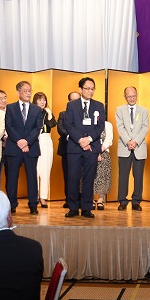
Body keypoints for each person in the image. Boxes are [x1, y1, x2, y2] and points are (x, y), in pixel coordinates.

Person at [63, 77, 105, 219]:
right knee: (73, 178)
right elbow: (68, 125)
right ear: (80, 89)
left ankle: (87, 207)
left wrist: (89, 139)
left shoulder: (99, 105)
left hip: (92, 147)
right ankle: (73, 208)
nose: (90, 91)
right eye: (87, 88)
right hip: (75, 147)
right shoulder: (72, 105)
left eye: (92, 89)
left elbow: (100, 126)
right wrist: (80, 140)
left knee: (89, 178)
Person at [5, 81, 42, 215]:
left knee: (32, 177)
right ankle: (12, 204)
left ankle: (33, 204)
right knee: (12, 177)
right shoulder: (10, 108)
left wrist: (27, 142)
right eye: (25, 91)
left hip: (31, 148)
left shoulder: (37, 109)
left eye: (29, 91)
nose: (28, 93)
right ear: (18, 92)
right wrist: (19, 141)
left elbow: (37, 128)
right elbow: (9, 126)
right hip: (14, 148)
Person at [116, 87, 149, 211]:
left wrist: (135, 141)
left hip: (139, 147)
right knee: (123, 176)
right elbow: (120, 127)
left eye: (134, 96)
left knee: (138, 176)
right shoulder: (119, 110)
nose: (132, 98)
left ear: (137, 95)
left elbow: (145, 127)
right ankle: (122, 201)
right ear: (125, 97)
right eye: (129, 96)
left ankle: (136, 201)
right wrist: (128, 141)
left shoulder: (144, 110)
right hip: (124, 146)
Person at [32, 92, 57, 208]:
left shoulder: (47, 113)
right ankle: (34, 196)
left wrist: (49, 113)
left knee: (46, 170)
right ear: (35, 101)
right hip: (34, 140)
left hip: (46, 140)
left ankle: (43, 197)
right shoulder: (31, 112)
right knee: (35, 170)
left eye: (44, 100)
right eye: (40, 100)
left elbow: (52, 125)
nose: (42, 102)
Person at [57, 91, 80, 209]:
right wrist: (73, 137)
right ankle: (69, 200)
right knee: (68, 175)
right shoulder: (63, 114)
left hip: (82, 148)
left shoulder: (85, 114)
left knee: (82, 176)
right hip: (67, 147)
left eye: (77, 99)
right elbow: (60, 128)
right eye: (73, 100)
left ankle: (81, 199)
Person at [93, 120, 114, 209]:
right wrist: (95, 153)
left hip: (104, 152)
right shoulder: (89, 122)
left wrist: (99, 151)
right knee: (90, 176)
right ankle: (90, 199)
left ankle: (100, 200)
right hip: (90, 152)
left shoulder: (107, 125)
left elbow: (109, 140)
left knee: (103, 176)